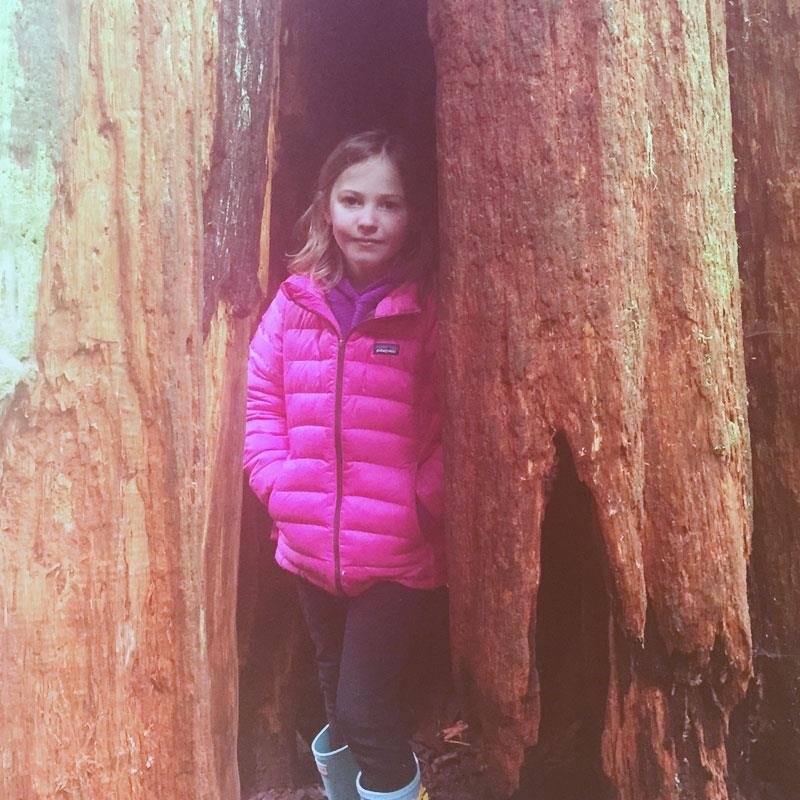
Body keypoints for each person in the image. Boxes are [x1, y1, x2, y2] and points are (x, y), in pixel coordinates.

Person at [243, 130, 445, 800]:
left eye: (388, 204)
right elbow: (261, 402)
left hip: (395, 550)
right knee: (335, 701)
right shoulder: (296, 303)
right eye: (352, 199)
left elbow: (464, 419)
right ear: (326, 206)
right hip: (308, 543)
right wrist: (278, 484)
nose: (368, 218)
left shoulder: (429, 309)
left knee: (363, 709)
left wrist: (426, 503)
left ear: (411, 214)